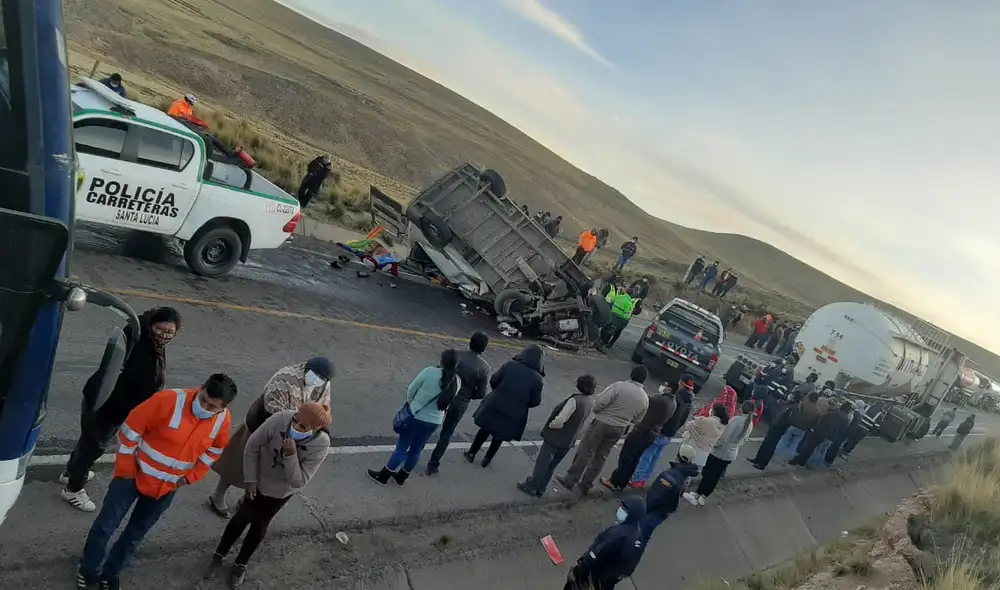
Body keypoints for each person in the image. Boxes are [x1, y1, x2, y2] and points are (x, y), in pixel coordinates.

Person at [77, 374, 237, 590]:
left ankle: (110, 573)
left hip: (166, 488)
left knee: (135, 535)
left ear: (223, 408)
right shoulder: (168, 400)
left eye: (212, 407)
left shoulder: (222, 420)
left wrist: (189, 477)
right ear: (201, 388)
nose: (205, 407)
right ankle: (88, 570)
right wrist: (126, 470)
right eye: (203, 400)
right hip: (132, 477)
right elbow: (130, 431)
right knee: (105, 527)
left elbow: (214, 451)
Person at [61, 307, 182, 512]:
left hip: (111, 401)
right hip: (109, 404)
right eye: (161, 330)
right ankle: (73, 489)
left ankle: (70, 473)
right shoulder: (140, 341)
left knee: (89, 442)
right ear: (152, 325)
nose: (164, 336)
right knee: (94, 446)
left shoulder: (147, 338)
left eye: (170, 332)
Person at [203, 403, 332, 587]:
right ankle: (219, 555)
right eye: (295, 420)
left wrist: (290, 455)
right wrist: (250, 480)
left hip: (280, 492)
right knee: (241, 517)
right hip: (258, 481)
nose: (295, 426)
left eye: (302, 426)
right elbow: (253, 445)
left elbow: (299, 481)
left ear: (315, 428)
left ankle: (241, 563)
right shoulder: (281, 419)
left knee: (260, 524)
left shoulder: (320, 444)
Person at [208, 357, 333, 516]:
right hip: (264, 425)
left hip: (291, 436)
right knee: (238, 464)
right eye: (316, 374)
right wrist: (296, 425)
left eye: (323, 378)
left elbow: (323, 410)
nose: (318, 379)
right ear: (307, 368)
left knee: (266, 471)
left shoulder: (323, 386)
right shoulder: (286, 377)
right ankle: (218, 495)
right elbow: (276, 411)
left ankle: (246, 499)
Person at [368, 350, 459, 485]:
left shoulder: (430, 372)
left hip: (417, 416)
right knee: (417, 449)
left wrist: (412, 404)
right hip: (435, 420)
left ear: (442, 360)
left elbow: (411, 389)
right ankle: (402, 476)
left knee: (402, 447)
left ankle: (384, 475)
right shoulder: (457, 381)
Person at [557, 366, 650, 495]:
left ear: (631, 375)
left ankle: (571, 479)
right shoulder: (645, 398)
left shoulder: (619, 386)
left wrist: (598, 412)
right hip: (619, 428)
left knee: (586, 451)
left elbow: (600, 402)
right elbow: (638, 419)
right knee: (601, 456)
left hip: (602, 422)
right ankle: (586, 484)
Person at [465, 345, 544, 466]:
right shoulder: (537, 379)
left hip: (496, 402)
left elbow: (494, 380)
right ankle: (487, 459)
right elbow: (535, 401)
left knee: (485, 429)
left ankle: (471, 453)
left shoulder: (510, 365)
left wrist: (499, 392)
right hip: (515, 411)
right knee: (500, 435)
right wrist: (522, 404)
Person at [518, 374, 596, 497]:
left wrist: (552, 425)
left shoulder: (574, 400)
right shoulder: (589, 403)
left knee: (543, 463)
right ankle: (541, 488)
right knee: (552, 465)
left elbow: (561, 419)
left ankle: (532, 485)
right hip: (569, 440)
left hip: (556, 437)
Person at [426, 332, 491, 475]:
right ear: (484, 349)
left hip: (443, 394)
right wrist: (467, 395)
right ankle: (432, 464)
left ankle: (411, 452)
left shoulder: (456, 355)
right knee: (447, 433)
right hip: (460, 403)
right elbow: (480, 393)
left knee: (427, 422)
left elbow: (440, 371)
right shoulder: (484, 367)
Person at [602, 377, 678, 491]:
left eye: (665, 385)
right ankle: (623, 482)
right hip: (653, 434)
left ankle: (614, 481)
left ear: (670, 389)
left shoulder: (658, 400)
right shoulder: (673, 403)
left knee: (626, 458)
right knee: (634, 459)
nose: (663, 386)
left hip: (642, 431)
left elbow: (643, 402)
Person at [564, 496, 647, 590]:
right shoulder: (638, 535)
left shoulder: (617, 534)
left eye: (624, 508)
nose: (620, 509)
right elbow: (628, 569)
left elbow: (594, 555)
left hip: (591, 576)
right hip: (606, 582)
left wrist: (577, 571)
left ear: (632, 514)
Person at [683, 400, 755, 506]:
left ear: (741, 408)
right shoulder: (750, 423)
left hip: (721, 452)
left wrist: (714, 445)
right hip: (732, 453)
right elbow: (743, 440)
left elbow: (724, 437)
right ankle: (704, 496)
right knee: (716, 476)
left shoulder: (736, 420)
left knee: (708, 473)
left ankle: (696, 495)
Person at [630, 375, 695, 487]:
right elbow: (682, 420)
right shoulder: (689, 401)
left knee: (647, 454)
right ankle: (644, 478)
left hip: (662, 431)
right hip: (670, 434)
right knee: (655, 456)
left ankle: (637, 479)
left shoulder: (677, 398)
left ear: (681, 383)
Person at [638, 443, 700, 543]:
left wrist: (644, 508)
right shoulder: (686, 474)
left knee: (640, 534)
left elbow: (655, 497)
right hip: (666, 509)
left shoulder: (669, 476)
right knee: (646, 532)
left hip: (656, 510)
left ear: (678, 456)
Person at [789, 401, 853, 468]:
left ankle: (802, 461)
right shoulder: (846, 419)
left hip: (821, 432)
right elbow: (841, 430)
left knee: (810, 447)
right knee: (821, 451)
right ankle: (812, 464)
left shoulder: (834, 414)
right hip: (832, 437)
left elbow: (821, 417)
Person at [774, 391, 824, 460]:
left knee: (785, 440)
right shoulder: (818, 410)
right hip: (803, 428)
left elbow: (796, 412)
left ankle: (778, 454)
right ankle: (788, 457)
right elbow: (816, 422)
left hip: (794, 425)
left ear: (809, 397)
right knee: (795, 444)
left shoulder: (802, 403)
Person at [676, 403, 729, 467]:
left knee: (678, 469)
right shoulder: (723, 426)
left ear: (714, 411)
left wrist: (697, 417)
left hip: (690, 451)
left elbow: (689, 425)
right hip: (703, 455)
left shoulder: (707, 421)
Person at [597, 284, 639, 351]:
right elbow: (626, 315)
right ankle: (601, 344)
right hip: (618, 319)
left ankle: (598, 341)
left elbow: (612, 301)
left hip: (611, 315)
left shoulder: (619, 296)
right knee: (610, 332)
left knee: (605, 328)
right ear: (632, 295)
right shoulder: (629, 303)